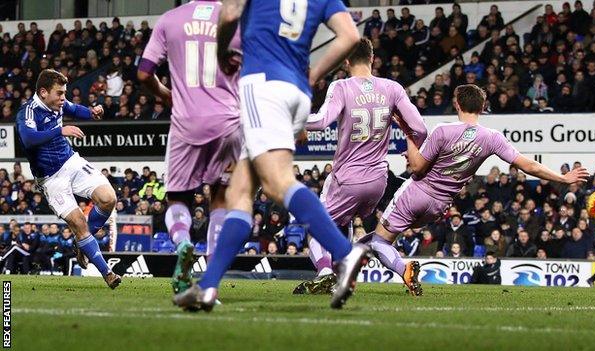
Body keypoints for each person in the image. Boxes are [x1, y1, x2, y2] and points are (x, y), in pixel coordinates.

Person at [174, 0, 367, 312]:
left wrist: (221, 51)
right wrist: (315, 72)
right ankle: (207, 287)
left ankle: (344, 252)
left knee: (278, 182)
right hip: (298, 91)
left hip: (262, 84)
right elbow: (350, 36)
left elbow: (231, 12)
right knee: (239, 192)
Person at [359, 84, 589, 293]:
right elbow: (528, 165)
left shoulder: (443, 130)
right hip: (440, 206)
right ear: (483, 106)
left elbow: (417, 168)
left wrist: (408, 136)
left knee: (381, 241)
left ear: (457, 104)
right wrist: (563, 177)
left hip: (417, 192)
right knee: (375, 241)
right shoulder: (491, 138)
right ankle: (348, 260)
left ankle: (402, 269)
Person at [293, 38, 428, 295]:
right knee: (358, 229)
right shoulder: (392, 88)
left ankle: (324, 273)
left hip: (347, 178)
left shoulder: (342, 86)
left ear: (346, 62)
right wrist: (409, 140)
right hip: (378, 181)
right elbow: (420, 128)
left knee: (315, 225)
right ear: (372, 58)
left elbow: (322, 121)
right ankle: (397, 268)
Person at [137, 0, 243, 294]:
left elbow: (144, 73)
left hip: (185, 123)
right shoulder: (236, 19)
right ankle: (211, 279)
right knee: (221, 199)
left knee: (177, 197)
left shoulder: (170, 19)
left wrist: (165, 94)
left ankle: (183, 241)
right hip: (229, 123)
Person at [15, 69, 120, 288]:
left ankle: (82, 243)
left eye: (64, 93)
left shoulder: (58, 104)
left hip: (70, 161)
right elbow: (28, 139)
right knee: (79, 222)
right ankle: (107, 273)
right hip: (50, 178)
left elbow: (74, 108)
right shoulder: (28, 112)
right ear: (43, 92)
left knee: (109, 198)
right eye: (60, 93)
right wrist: (60, 131)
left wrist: (91, 113)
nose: (64, 98)